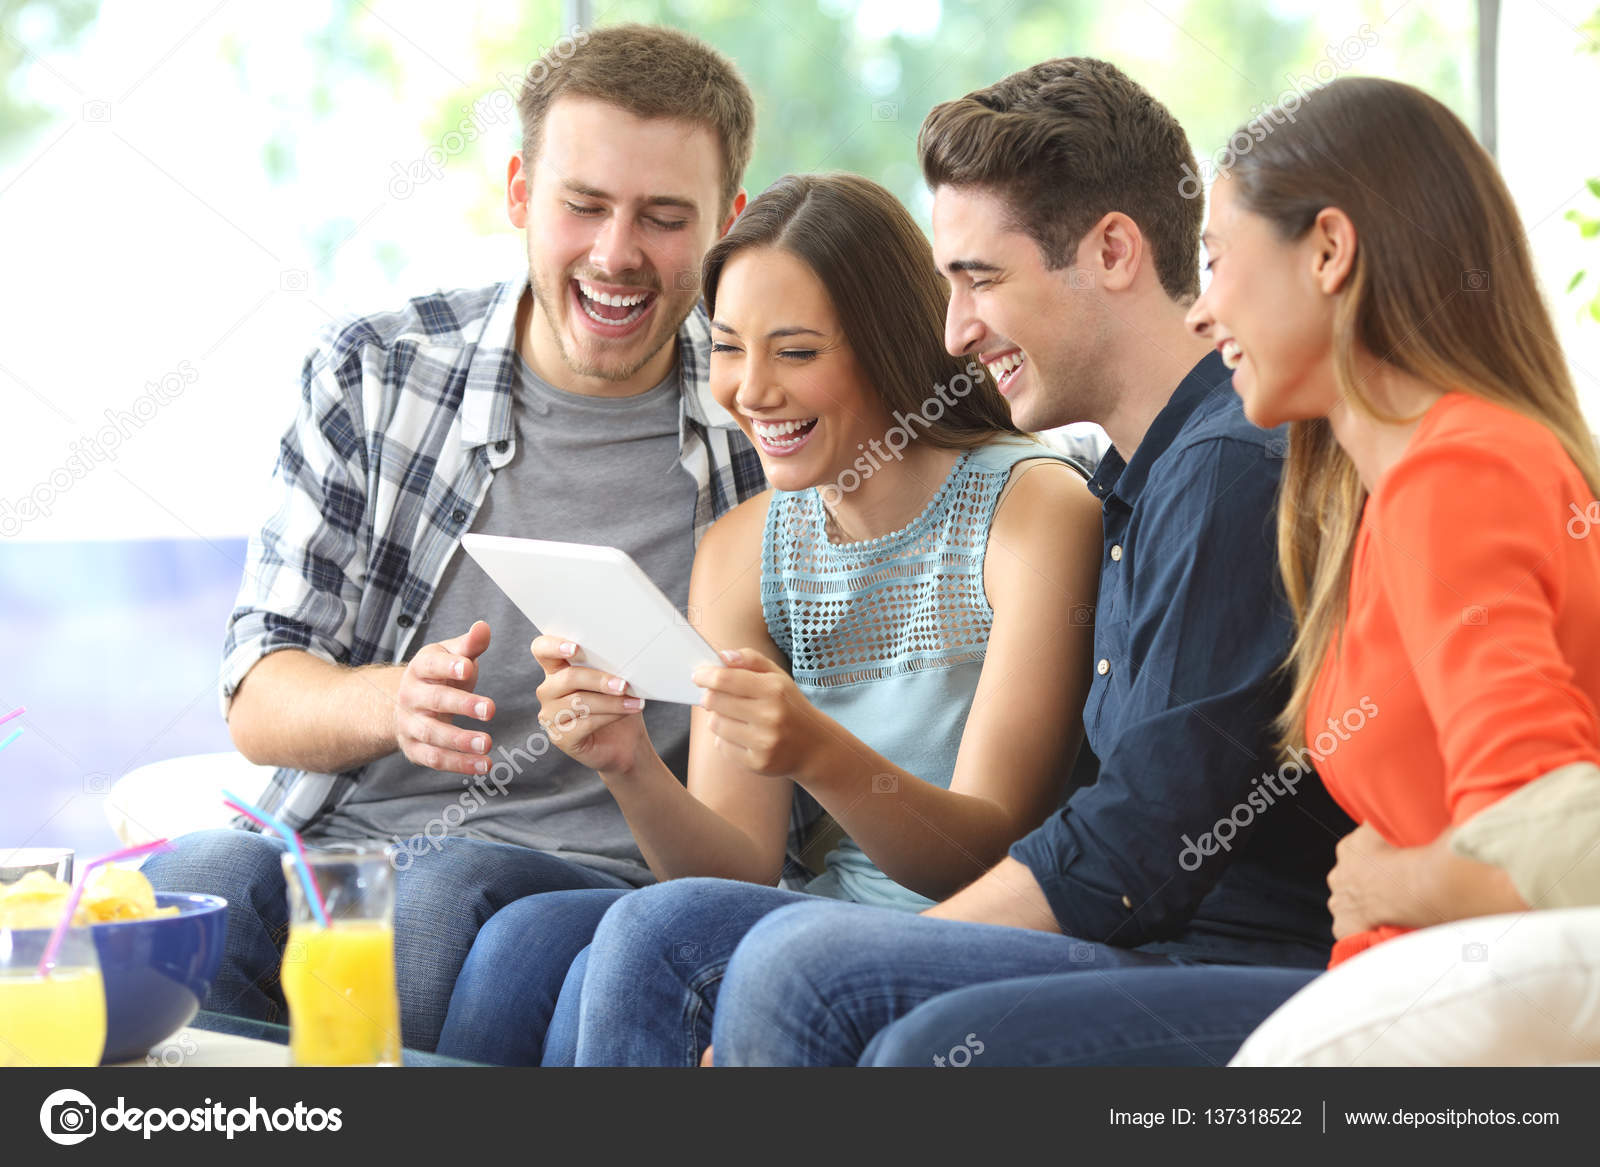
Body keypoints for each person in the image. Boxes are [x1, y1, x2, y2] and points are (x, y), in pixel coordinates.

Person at [569, 57, 1355, 1068]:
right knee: (664, 940)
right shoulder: (1135, 478)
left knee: (802, 975)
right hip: (1162, 939)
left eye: (981, 279)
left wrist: (870, 944)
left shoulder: (1217, 470)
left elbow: (1132, 847)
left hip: (1234, 956)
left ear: (1113, 251)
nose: (954, 331)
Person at [820, 75, 1600, 1067]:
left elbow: (1549, 841)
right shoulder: (1373, 484)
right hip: (1383, 990)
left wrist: (1389, 884)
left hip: (1407, 1002)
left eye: (1222, 264)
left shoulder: (1456, 469)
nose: (1202, 310)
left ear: (1327, 253)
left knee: (916, 1042)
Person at [141, 24, 771, 1053]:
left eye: (664, 219)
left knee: (437, 891)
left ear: (725, 225)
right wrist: (390, 700)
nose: (617, 254)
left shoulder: (762, 417)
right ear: (521, 194)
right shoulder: (378, 371)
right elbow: (257, 690)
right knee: (194, 881)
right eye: (583, 206)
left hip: (589, 869)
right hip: (342, 838)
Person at [433, 171, 1104, 1066]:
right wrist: (629, 763)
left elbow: (985, 853)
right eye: (729, 349)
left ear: (890, 345)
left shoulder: (1033, 509)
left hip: (976, 925)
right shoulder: (743, 548)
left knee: (651, 936)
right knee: (522, 944)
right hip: (815, 910)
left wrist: (815, 749)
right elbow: (737, 868)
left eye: (795, 353)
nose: (751, 391)